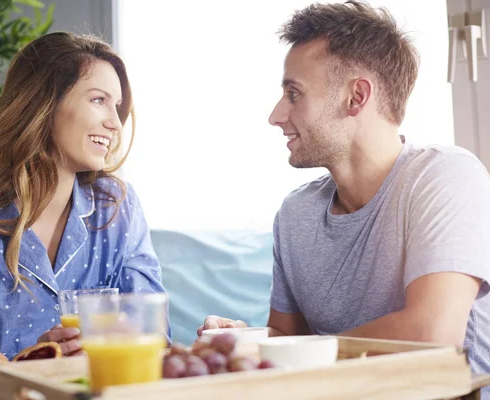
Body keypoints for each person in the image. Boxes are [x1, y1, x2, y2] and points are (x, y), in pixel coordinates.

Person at [198, 0, 490, 387]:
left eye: (295, 93)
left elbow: (432, 334)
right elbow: (287, 338)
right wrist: (241, 342)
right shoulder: (296, 213)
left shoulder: (445, 176)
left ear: (356, 97)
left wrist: (308, 350)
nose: (276, 115)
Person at [0, 32, 169, 391]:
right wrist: (32, 364)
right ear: (42, 104)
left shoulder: (117, 208)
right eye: (99, 100)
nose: (115, 121)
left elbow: (154, 338)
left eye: (118, 106)